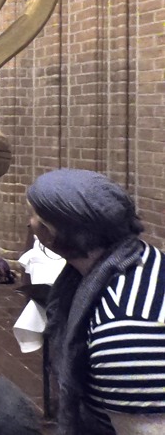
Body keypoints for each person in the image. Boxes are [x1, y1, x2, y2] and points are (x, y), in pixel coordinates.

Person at [28, 168, 165, 435]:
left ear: (47, 234)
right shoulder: (146, 257)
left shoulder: (125, 332)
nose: (28, 224)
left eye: (32, 215)